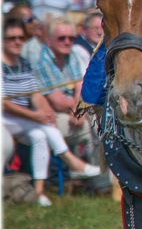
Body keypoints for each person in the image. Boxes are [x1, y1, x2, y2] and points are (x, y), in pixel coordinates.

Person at [3, 17, 101, 206]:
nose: (67, 42)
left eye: (71, 38)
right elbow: (5, 102)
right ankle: (79, 168)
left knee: (43, 133)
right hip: (13, 117)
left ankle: (39, 192)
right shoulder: (40, 61)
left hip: (36, 115)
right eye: (11, 38)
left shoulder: (24, 63)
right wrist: (38, 114)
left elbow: (38, 95)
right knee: (52, 127)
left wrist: (75, 110)